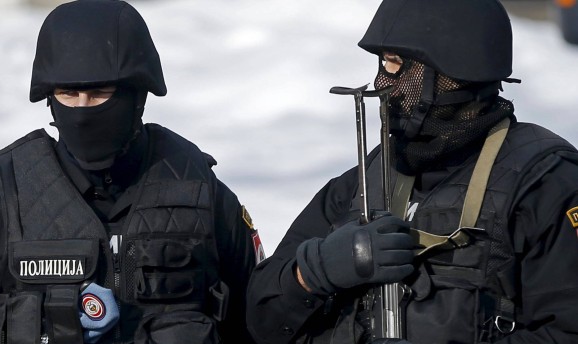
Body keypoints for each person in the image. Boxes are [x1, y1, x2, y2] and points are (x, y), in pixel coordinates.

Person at [246, 0, 578, 343]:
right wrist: (315, 273)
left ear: (455, 72)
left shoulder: (545, 182)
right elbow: (259, 320)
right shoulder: (366, 179)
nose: (384, 83)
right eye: (385, 64)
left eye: (398, 65)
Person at [0, 0, 261, 343]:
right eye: (67, 93)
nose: (80, 108)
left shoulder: (200, 195)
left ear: (137, 96)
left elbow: (261, 320)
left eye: (98, 94)